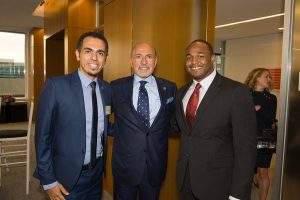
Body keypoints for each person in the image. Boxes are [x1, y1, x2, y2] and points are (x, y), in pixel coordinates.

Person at [171, 39, 257, 200]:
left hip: (219, 186)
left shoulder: (236, 92)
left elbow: (246, 149)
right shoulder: (182, 92)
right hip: (186, 182)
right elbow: (181, 129)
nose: (194, 61)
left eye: (200, 56)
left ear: (212, 59)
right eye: (189, 57)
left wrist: (238, 194)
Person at [34, 31, 112, 200]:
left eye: (100, 53)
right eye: (88, 51)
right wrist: (49, 181)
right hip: (66, 178)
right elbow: (42, 137)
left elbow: (103, 124)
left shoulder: (107, 89)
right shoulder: (56, 86)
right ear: (77, 54)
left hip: (97, 175)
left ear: (105, 58)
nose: (94, 58)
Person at [110, 42, 176, 200]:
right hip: (125, 166)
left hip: (155, 165)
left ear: (155, 61)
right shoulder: (116, 87)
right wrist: (120, 132)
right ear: (131, 62)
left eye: (149, 57)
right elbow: (100, 118)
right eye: (138, 57)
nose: (144, 62)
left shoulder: (170, 88)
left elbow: (172, 122)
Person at [245, 68, 277, 200]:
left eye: (269, 77)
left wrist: (258, 109)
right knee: (246, 170)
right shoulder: (245, 94)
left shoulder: (271, 98)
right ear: (256, 78)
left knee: (263, 172)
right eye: (266, 77)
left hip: (265, 137)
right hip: (246, 137)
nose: (269, 80)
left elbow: (270, 119)